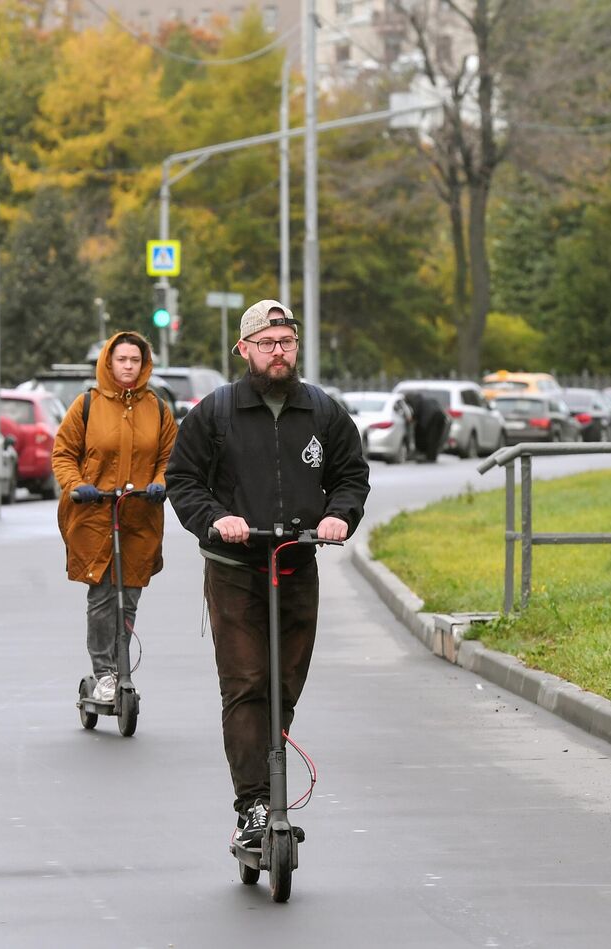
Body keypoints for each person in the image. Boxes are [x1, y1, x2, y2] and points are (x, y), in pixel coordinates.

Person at [165, 299, 370, 851]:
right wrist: (216, 520)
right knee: (247, 683)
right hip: (236, 570)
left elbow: (352, 473)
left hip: (297, 563)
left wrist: (338, 514)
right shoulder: (217, 412)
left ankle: (267, 773)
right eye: (267, 343)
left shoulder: (321, 411)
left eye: (286, 342)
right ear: (245, 350)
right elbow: (183, 480)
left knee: (284, 684)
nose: (278, 352)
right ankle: (253, 805)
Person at [52, 331, 178, 704]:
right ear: (109, 362)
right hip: (94, 513)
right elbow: (63, 453)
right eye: (121, 360)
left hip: (139, 514)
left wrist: (159, 483)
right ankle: (104, 673)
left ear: (144, 365)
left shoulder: (157, 408)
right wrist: (77, 484)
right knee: (103, 594)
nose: (127, 366)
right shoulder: (87, 404)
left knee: (131, 594)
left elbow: (170, 458)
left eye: (134, 361)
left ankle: (122, 669)